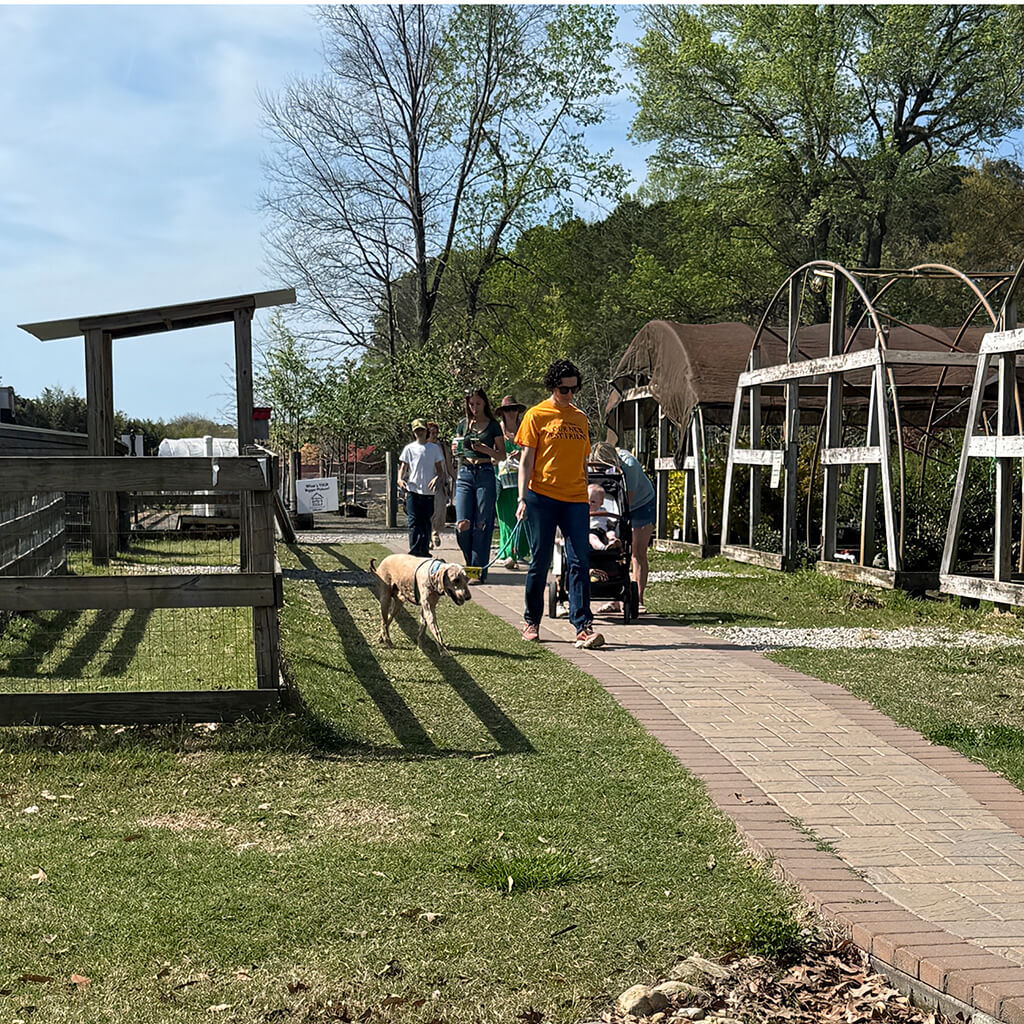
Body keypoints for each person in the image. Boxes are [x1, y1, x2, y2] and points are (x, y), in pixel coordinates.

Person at [515, 358, 604, 649]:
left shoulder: (580, 419)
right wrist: (522, 497)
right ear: (554, 387)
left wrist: (589, 488)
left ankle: (583, 625)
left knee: (580, 560)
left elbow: (583, 460)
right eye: (564, 390)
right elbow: (526, 460)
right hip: (541, 496)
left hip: (575, 499)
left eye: (574, 389)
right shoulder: (536, 415)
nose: (569, 395)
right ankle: (531, 621)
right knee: (539, 562)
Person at [590, 441, 656, 614]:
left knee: (636, 552)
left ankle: (638, 599)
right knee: (615, 552)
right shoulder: (594, 466)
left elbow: (626, 501)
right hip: (612, 505)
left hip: (641, 504)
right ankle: (614, 598)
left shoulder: (629, 465)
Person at [453, 388, 504, 583]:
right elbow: (458, 449)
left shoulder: (492, 427)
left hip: (485, 473)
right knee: (462, 524)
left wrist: (484, 449)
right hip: (465, 473)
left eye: (478, 404)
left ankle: (475, 571)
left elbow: (501, 455)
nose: (474, 408)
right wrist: (456, 448)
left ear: (485, 404)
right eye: (471, 404)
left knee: (482, 524)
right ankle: (471, 563)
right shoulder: (463, 425)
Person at [494, 395, 531, 570]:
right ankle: (508, 553)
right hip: (502, 481)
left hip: (521, 481)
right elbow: (492, 455)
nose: (511, 413)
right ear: (502, 413)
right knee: (505, 519)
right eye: (507, 410)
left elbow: (532, 452)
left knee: (521, 517)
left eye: (513, 409)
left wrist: (521, 454)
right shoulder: (496, 431)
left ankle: (520, 552)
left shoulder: (524, 430)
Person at [398, 418, 444, 558]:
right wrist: (400, 479)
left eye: (422, 430)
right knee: (413, 522)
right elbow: (403, 468)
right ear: (414, 433)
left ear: (426, 431)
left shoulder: (434, 449)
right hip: (413, 489)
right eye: (417, 431)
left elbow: (440, 470)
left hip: (428, 491)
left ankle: (424, 550)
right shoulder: (409, 448)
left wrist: (437, 478)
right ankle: (414, 550)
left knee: (425, 521)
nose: (420, 433)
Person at [426, 421, 455, 549]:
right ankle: (428, 537)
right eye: (431, 432)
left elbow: (448, 466)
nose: (434, 435)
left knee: (439, 510)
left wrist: (457, 479)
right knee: (427, 511)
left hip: (440, 482)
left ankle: (435, 532)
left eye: (436, 433)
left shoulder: (442, 447)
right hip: (425, 482)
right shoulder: (422, 447)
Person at [588, 484, 620, 551]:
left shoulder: (603, 511)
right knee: (592, 538)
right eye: (587, 500)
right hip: (591, 531)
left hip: (603, 531)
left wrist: (610, 523)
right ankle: (602, 548)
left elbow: (609, 520)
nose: (589, 503)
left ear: (601, 503)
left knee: (611, 533)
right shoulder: (583, 511)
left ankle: (613, 541)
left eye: (593, 502)